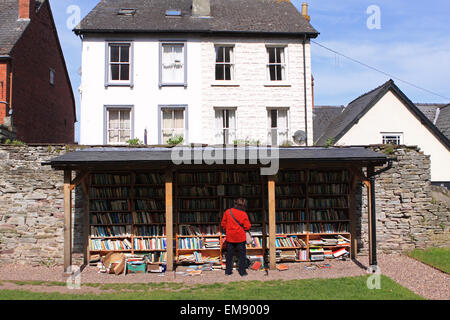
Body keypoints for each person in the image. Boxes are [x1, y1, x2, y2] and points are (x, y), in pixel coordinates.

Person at [221, 198, 251, 276]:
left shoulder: (227, 212)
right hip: (240, 237)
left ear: (235, 203)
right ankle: (242, 272)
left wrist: (228, 229)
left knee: (229, 255)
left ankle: (228, 271)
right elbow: (247, 226)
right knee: (242, 255)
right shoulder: (243, 214)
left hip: (230, 237)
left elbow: (223, 224)